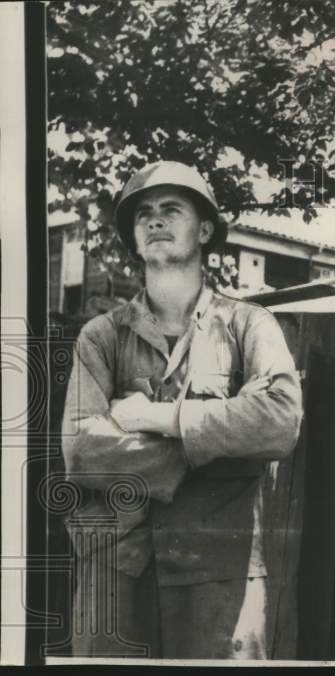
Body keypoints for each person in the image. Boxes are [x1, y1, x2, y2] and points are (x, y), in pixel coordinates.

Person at [61, 161, 303, 658]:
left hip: (220, 567)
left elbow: (279, 420)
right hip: (117, 562)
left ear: (206, 228)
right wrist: (211, 450)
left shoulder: (248, 326)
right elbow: (83, 450)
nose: (155, 220)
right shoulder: (102, 337)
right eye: (143, 213)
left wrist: (164, 419)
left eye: (171, 208)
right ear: (132, 237)